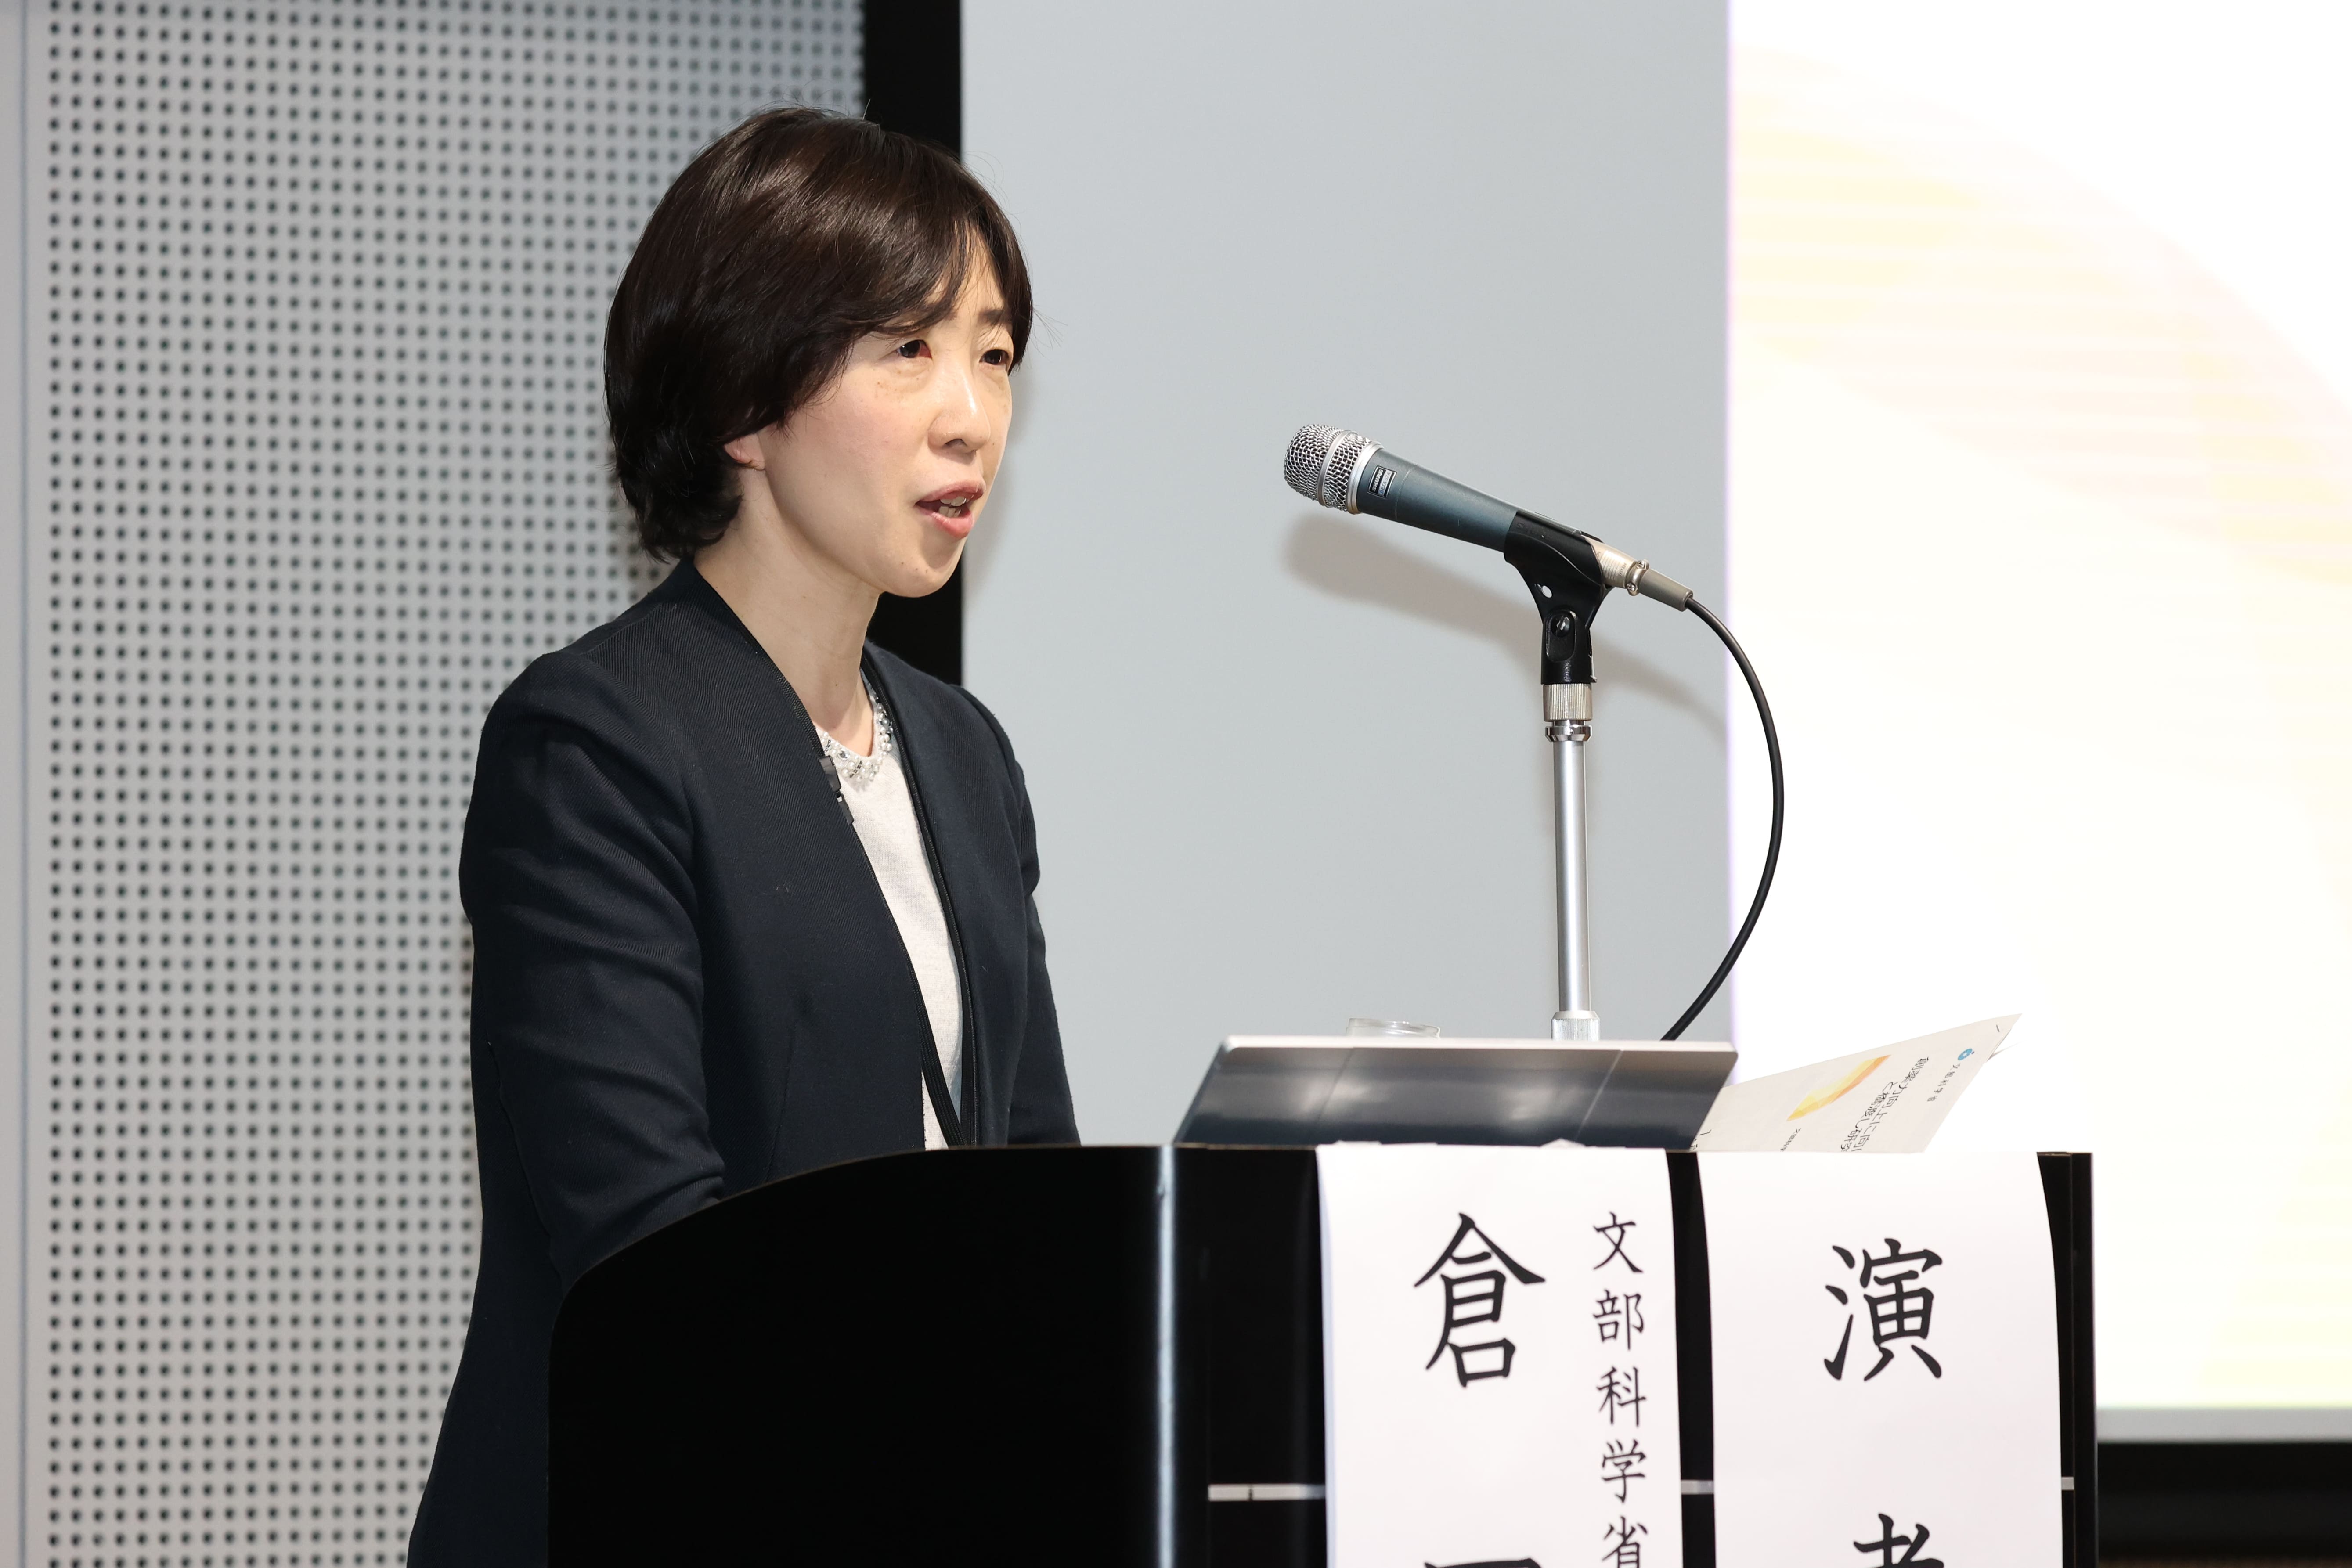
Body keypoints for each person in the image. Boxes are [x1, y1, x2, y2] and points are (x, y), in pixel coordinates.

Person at [407, 107, 1079, 1566]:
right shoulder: (596, 742)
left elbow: (1032, 1180)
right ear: (744, 401)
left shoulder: (961, 752)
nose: (970, 415)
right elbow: (654, 1251)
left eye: (993, 354)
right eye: (907, 347)